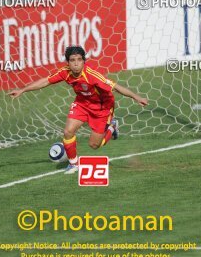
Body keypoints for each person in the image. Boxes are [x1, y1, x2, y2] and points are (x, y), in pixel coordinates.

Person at [9, 46, 148, 174]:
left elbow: (117, 87)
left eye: (79, 60)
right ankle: (74, 164)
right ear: (68, 62)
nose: (76, 63)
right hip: (82, 103)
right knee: (68, 131)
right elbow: (46, 81)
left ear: (84, 61)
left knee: (94, 145)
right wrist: (23, 90)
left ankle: (112, 127)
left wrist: (137, 97)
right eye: (72, 60)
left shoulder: (92, 76)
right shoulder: (65, 72)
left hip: (102, 107)